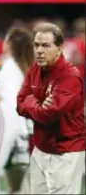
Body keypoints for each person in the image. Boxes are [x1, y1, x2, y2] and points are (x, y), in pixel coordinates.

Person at [17, 22, 85, 194]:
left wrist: (31, 102)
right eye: (37, 45)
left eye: (46, 46)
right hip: (40, 148)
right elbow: (19, 104)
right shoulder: (35, 68)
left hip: (66, 151)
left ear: (60, 49)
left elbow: (48, 115)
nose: (39, 50)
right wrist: (36, 105)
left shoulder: (70, 77)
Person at [0, 27, 34, 194]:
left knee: (17, 187)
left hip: (17, 132)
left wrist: (15, 135)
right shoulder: (30, 67)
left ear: (10, 44)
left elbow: (12, 103)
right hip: (31, 130)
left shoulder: (10, 67)